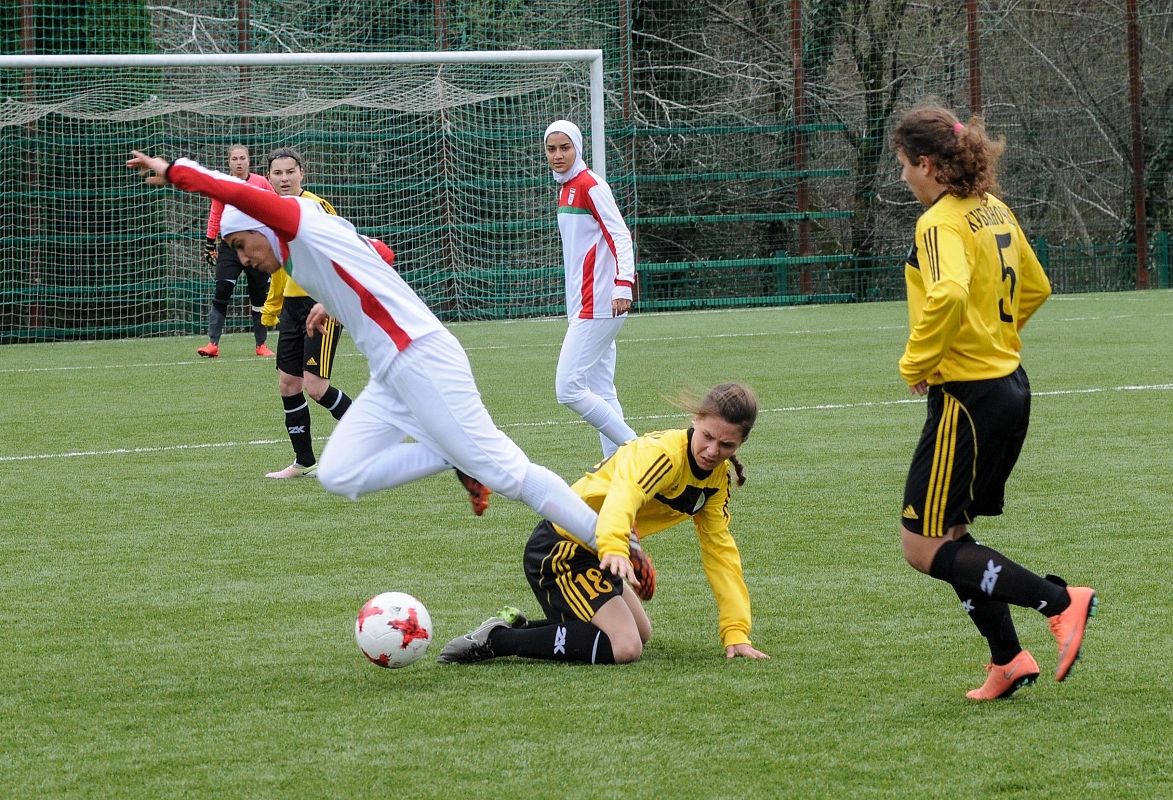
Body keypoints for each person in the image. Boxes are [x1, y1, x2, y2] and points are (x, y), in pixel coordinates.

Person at [127, 149, 602, 537]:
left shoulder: (293, 219)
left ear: (262, 224)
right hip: (390, 374)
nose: (244, 259)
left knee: (508, 474)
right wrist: (333, 299)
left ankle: (610, 539)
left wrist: (175, 172)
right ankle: (449, 453)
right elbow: (380, 252)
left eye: (240, 246)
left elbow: (234, 190)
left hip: (420, 356)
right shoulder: (309, 234)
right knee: (340, 474)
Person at [890, 105, 1096, 701]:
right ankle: (1007, 659)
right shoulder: (992, 208)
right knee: (953, 531)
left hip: (969, 398)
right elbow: (1037, 286)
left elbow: (949, 293)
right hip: (1009, 386)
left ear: (927, 164)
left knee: (921, 546)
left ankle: (1060, 601)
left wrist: (917, 363)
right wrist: (993, 337)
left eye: (904, 165)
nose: (902, 176)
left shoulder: (939, 222)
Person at [438, 382, 769, 666]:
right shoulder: (664, 454)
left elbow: (721, 553)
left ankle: (519, 628)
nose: (712, 450)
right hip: (561, 549)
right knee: (625, 646)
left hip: (601, 552)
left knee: (641, 633)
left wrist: (736, 631)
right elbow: (624, 495)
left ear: (740, 444)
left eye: (726, 445)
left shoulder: (717, 481)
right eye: (708, 436)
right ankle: (496, 640)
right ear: (695, 419)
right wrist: (615, 547)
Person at [257, 147, 354, 479]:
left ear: (302, 173)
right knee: (288, 384)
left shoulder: (316, 207)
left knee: (316, 387)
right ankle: (304, 461)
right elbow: (278, 265)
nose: (284, 178)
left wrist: (334, 299)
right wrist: (272, 307)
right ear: (269, 177)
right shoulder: (271, 213)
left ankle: (373, 435)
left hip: (321, 304)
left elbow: (342, 251)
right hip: (293, 307)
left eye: (290, 172)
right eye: (278, 173)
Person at [543, 120, 638, 458]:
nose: (558, 155)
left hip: (600, 303)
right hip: (583, 303)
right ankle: (618, 467)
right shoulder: (565, 187)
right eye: (551, 149)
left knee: (568, 388)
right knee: (602, 390)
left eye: (564, 148)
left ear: (578, 148)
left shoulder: (590, 185)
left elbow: (620, 235)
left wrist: (623, 284)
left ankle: (639, 452)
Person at [198, 144, 275, 359]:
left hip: (257, 247)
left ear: (249, 160)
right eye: (235, 159)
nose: (239, 162)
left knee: (259, 295)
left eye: (242, 158)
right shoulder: (223, 184)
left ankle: (261, 344)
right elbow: (216, 213)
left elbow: (274, 207)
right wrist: (210, 243)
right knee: (222, 289)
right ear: (229, 162)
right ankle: (213, 344)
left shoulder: (261, 183)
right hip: (230, 247)